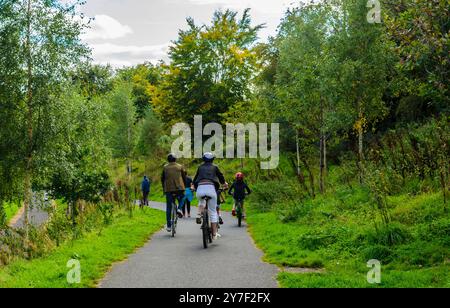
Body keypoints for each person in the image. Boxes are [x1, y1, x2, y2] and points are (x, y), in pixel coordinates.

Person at [193, 152, 228, 240]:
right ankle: (214, 234)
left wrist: (194, 186)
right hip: (211, 189)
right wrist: (224, 184)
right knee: (213, 212)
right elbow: (221, 177)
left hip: (200, 188)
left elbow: (195, 179)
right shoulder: (215, 167)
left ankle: (198, 214)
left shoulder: (200, 167)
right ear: (213, 159)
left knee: (201, 201)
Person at [161, 153, 186, 232]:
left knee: (169, 207)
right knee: (182, 197)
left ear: (168, 160)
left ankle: (168, 226)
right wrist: (184, 186)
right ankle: (179, 209)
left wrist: (163, 187)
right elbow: (184, 176)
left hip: (168, 189)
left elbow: (162, 178)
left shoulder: (165, 167)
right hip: (179, 188)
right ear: (175, 159)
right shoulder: (180, 166)